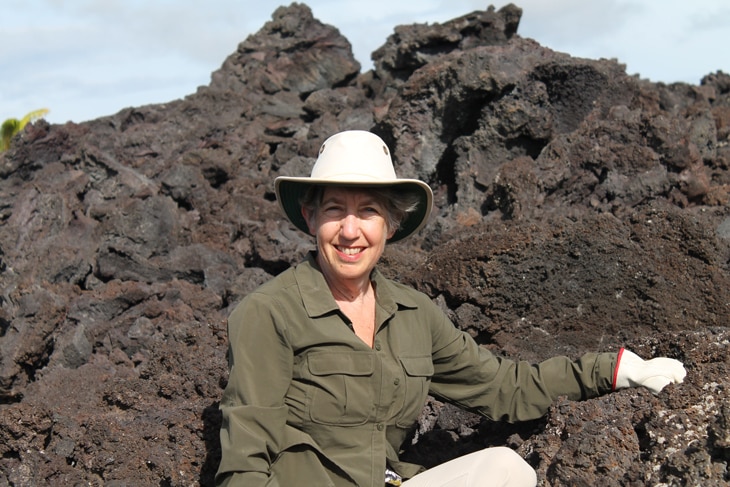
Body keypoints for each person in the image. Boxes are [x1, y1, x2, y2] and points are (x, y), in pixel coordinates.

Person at [216, 130, 686, 487]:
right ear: (310, 217)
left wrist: (614, 370)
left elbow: (505, 387)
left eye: (369, 212)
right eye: (335, 209)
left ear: (392, 225)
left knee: (507, 471)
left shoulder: (414, 314)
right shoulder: (269, 313)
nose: (351, 230)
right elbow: (245, 458)